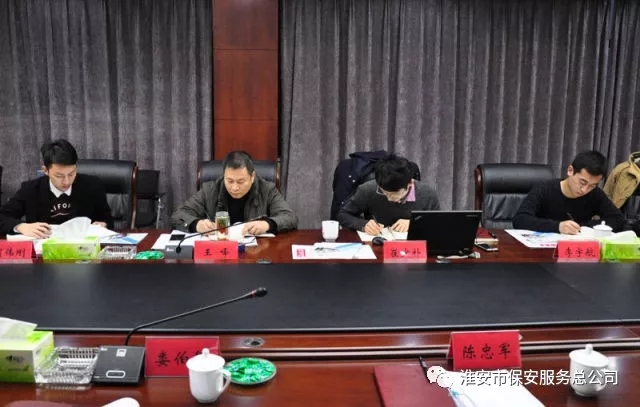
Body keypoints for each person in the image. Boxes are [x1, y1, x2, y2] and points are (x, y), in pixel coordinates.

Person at [0, 139, 113, 238]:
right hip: (44, 249)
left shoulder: (92, 186)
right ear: (45, 170)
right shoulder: (30, 190)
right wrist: (21, 226)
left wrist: (103, 224)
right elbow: (2, 216)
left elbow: (107, 219)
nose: (66, 181)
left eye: (71, 174)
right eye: (59, 176)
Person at [171, 151, 298, 235]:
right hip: (220, 252)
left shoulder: (267, 190)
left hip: (256, 254)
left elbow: (290, 217)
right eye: (230, 181)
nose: (234, 187)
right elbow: (178, 215)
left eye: (241, 181)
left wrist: (267, 224)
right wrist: (196, 224)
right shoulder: (210, 189)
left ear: (252, 176)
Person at [513, 150, 627, 234]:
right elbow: (520, 219)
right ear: (570, 170)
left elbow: (618, 219)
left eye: (592, 185)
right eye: (582, 182)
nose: (584, 190)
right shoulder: (544, 188)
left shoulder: (595, 194)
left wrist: (582, 227)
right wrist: (558, 226)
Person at [337, 153, 440, 234]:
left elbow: (437, 224)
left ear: (410, 183)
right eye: (385, 193)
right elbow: (343, 215)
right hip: (378, 244)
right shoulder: (368, 189)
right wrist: (363, 224)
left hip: (412, 248)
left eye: (395, 194)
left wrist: (414, 224)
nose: (390, 199)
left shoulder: (427, 194)